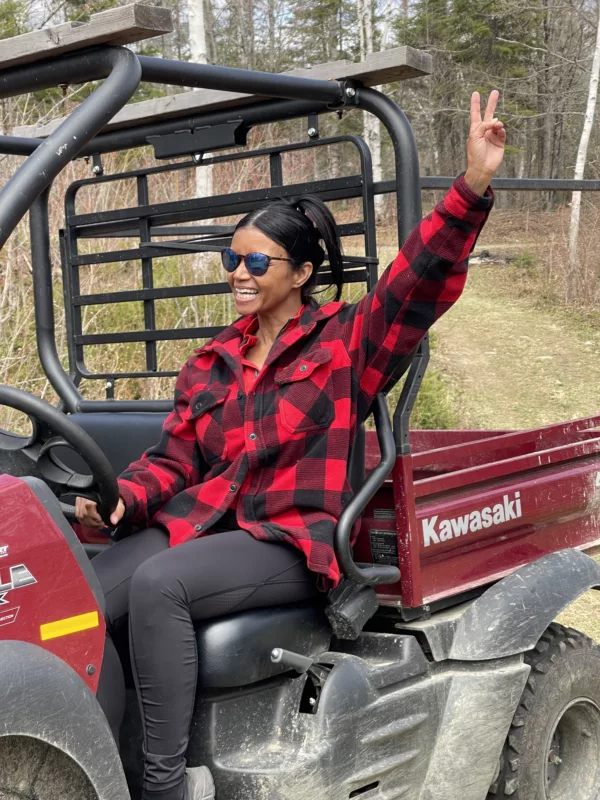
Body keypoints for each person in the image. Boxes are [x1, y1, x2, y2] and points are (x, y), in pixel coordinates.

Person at [76, 90, 506, 800]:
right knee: (83, 593)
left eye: (256, 260)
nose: (238, 273)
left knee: (159, 586)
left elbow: (415, 285)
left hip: (289, 540)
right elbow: (175, 460)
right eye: (230, 257)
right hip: (205, 523)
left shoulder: (347, 343)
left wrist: (471, 187)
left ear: (301, 274)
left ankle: (163, 787)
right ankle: (96, 771)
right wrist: (122, 500)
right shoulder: (212, 360)